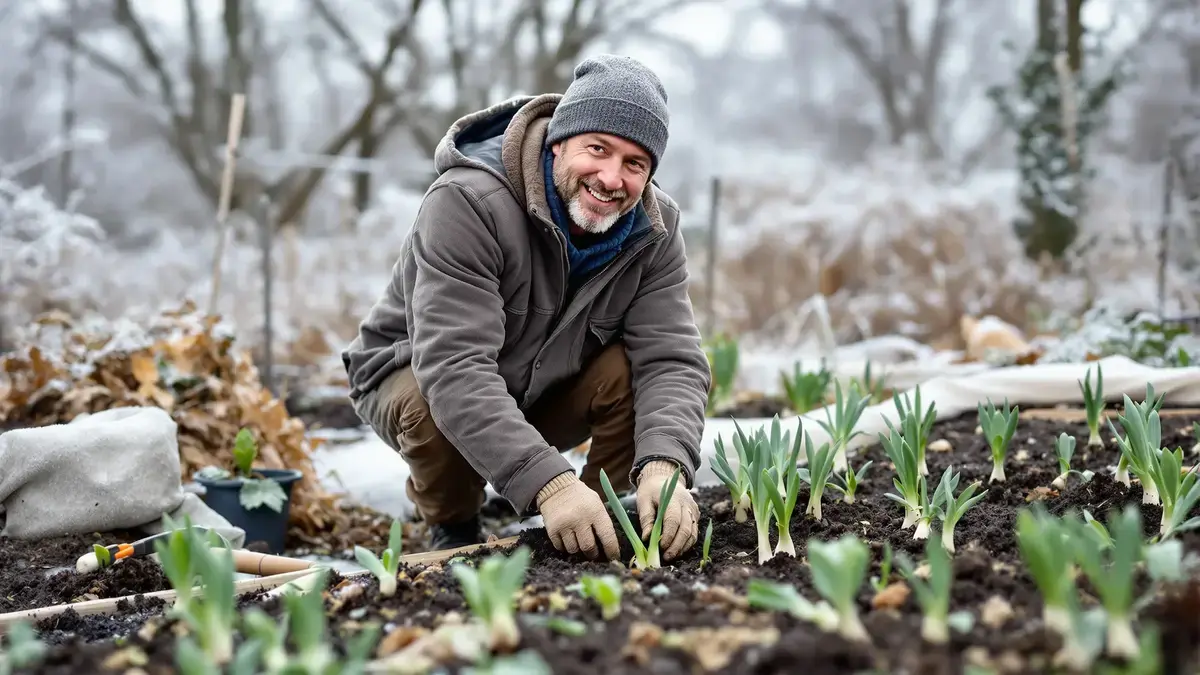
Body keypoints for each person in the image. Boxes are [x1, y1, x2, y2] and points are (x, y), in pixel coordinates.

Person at [342, 54, 710, 562]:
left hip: (543, 384)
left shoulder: (655, 230)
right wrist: (550, 485)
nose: (611, 177)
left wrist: (666, 466)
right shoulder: (467, 202)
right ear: (559, 141)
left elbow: (671, 359)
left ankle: (601, 520)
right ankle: (454, 522)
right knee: (428, 402)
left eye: (635, 163)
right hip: (415, 374)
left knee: (631, 373)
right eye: (597, 149)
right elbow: (453, 367)